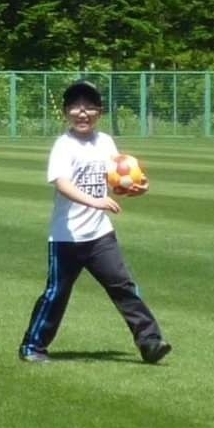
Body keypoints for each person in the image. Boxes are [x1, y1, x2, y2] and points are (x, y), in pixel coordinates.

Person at [18, 80, 172, 365]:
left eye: (89, 107)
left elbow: (115, 177)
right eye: (75, 107)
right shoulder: (64, 146)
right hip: (67, 237)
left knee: (124, 287)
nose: (82, 113)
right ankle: (32, 346)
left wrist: (136, 186)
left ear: (99, 112)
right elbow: (62, 183)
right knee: (56, 293)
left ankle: (150, 342)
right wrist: (95, 201)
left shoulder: (105, 142)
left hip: (100, 235)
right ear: (66, 112)